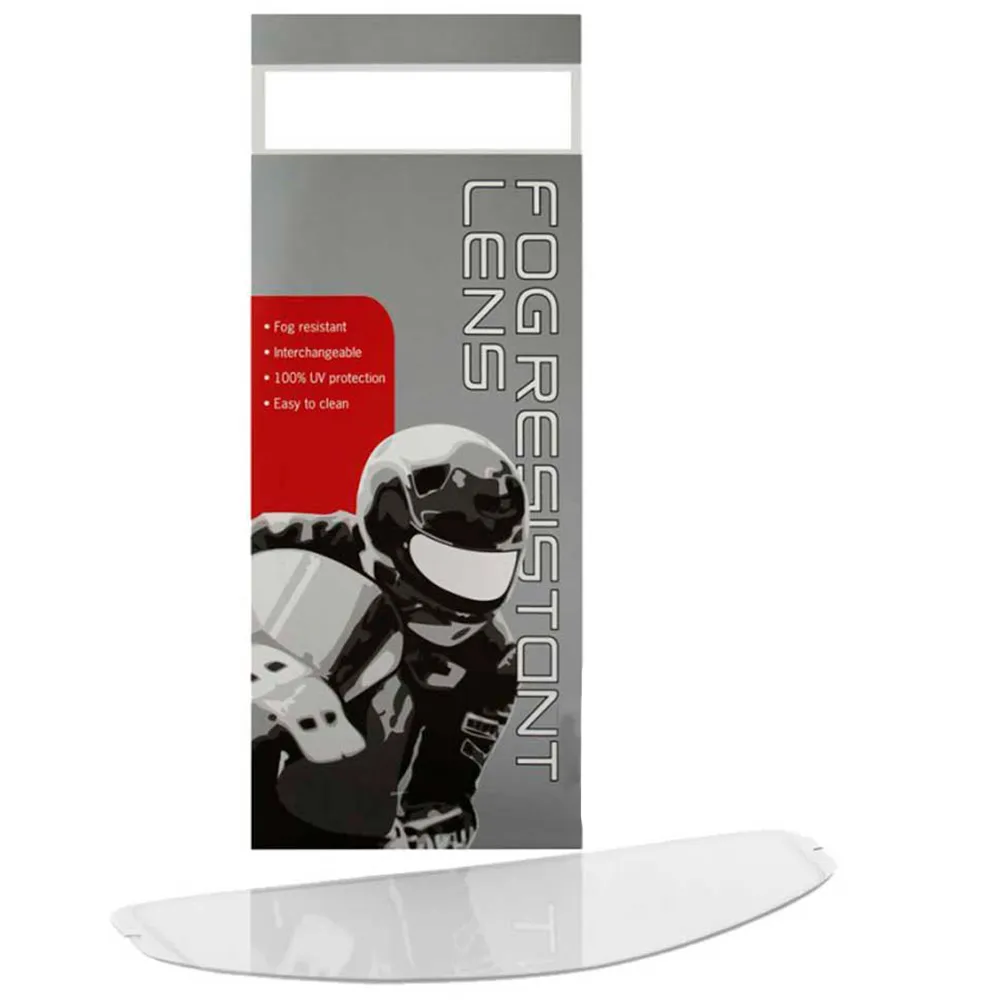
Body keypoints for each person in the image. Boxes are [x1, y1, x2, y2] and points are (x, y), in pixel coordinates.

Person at [251, 424, 527, 848]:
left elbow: (446, 799)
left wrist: (411, 843)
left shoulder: (490, 660)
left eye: (487, 567)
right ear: (389, 530)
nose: (469, 594)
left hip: (341, 827)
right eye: (449, 562)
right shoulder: (279, 541)